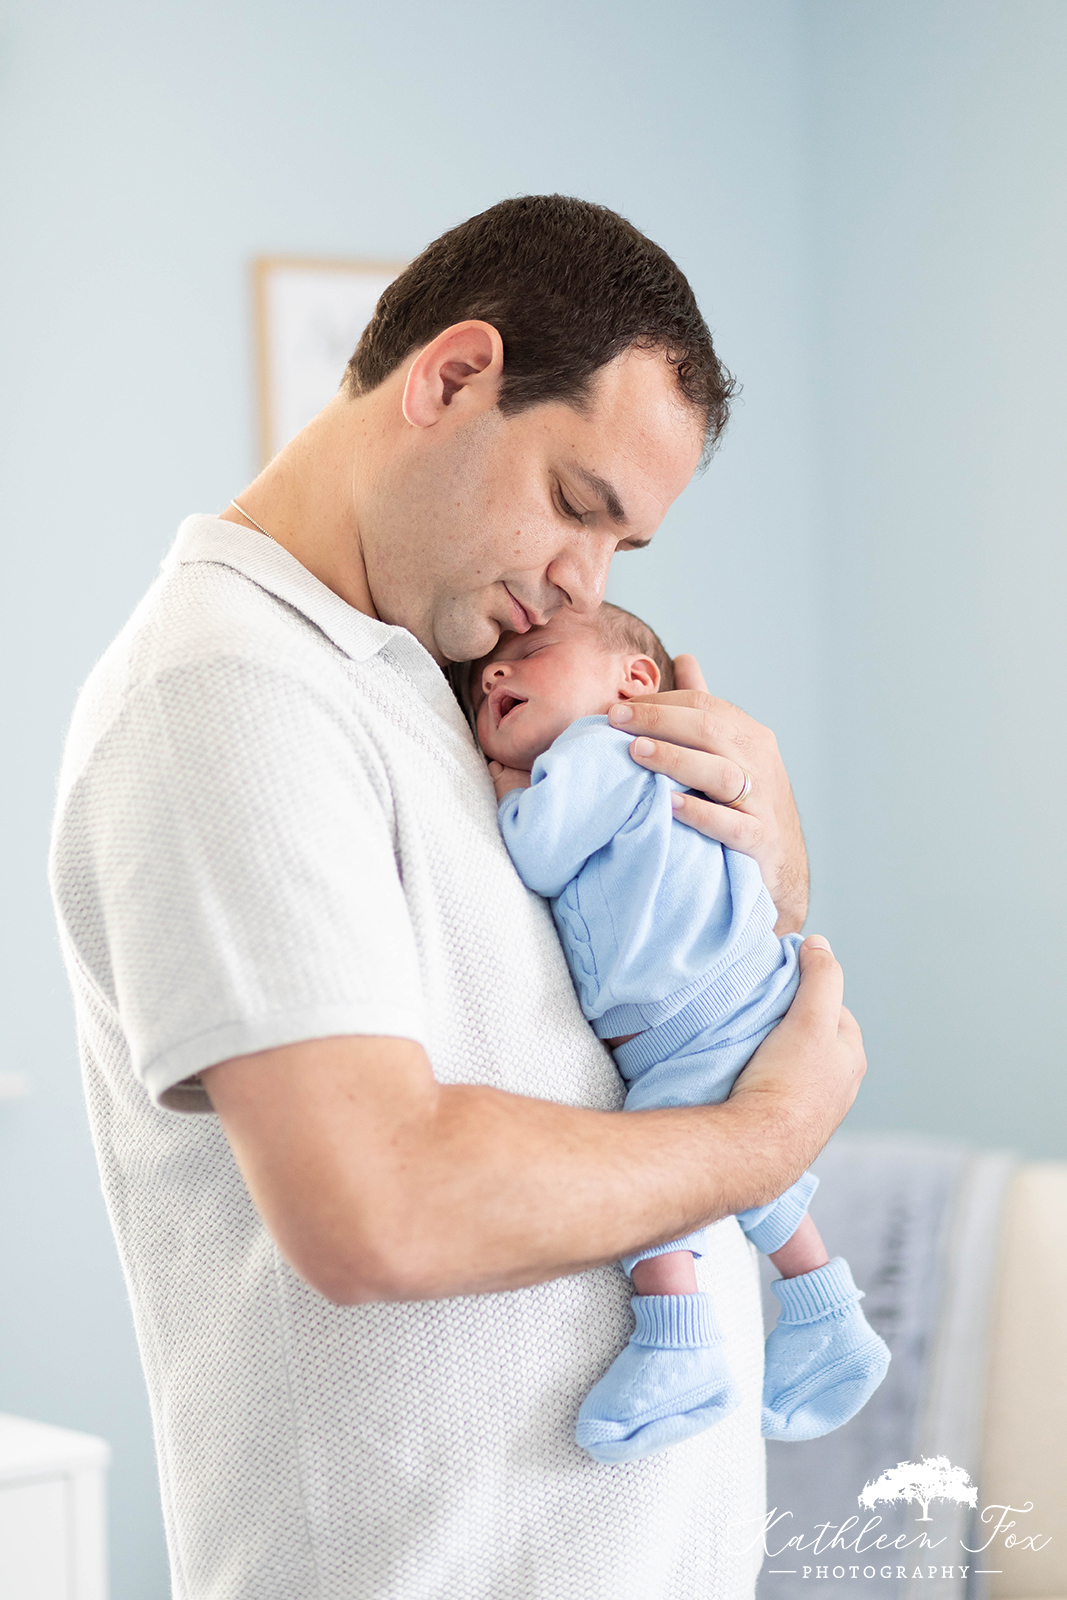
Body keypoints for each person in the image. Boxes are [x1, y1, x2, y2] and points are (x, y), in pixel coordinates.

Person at [49, 196, 865, 1600]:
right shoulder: (229, 696)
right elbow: (381, 1203)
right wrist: (768, 1134)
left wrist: (766, 863)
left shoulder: (450, 692)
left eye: (620, 553)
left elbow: (597, 1011)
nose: (577, 587)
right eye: (572, 506)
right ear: (445, 378)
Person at [471, 601, 890, 1465]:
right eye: (486, 677)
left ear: (633, 684)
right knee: (758, 1180)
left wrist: (508, 788)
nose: (495, 674)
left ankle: (677, 1344)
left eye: (531, 654)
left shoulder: (597, 748)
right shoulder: (653, 769)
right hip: (737, 994)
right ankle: (826, 1311)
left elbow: (537, 854)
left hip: (691, 1019)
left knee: (658, 1163)